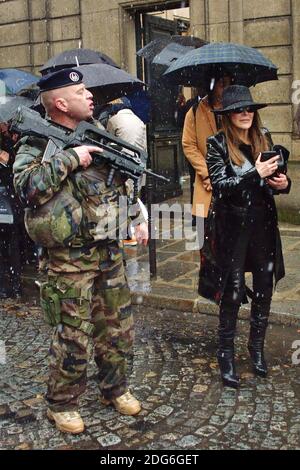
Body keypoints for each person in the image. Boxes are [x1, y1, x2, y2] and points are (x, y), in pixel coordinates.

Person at [13, 69, 148, 434]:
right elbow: (26, 188)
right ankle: (62, 404)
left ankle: (115, 388)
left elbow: (118, 186)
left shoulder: (100, 135)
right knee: (72, 333)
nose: (90, 96)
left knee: (117, 328)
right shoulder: (36, 143)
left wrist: (137, 215)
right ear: (59, 103)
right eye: (80, 90)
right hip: (68, 259)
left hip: (107, 249)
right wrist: (71, 158)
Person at [198, 85, 291, 388]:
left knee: (264, 287)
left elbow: (277, 183)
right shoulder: (217, 144)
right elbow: (221, 186)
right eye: (239, 110)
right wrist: (256, 174)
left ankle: (257, 348)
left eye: (249, 109)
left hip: (262, 226)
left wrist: (282, 183)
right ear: (228, 115)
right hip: (232, 230)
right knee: (233, 291)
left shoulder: (264, 138)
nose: (246, 114)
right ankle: (226, 354)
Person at [182, 73, 233, 229]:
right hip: (206, 184)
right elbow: (189, 145)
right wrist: (207, 172)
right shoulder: (195, 110)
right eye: (221, 83)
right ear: (212, 85)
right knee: (207, 239)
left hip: (234, 181)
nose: (225, 88)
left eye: (228, 83)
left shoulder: (236, 108)